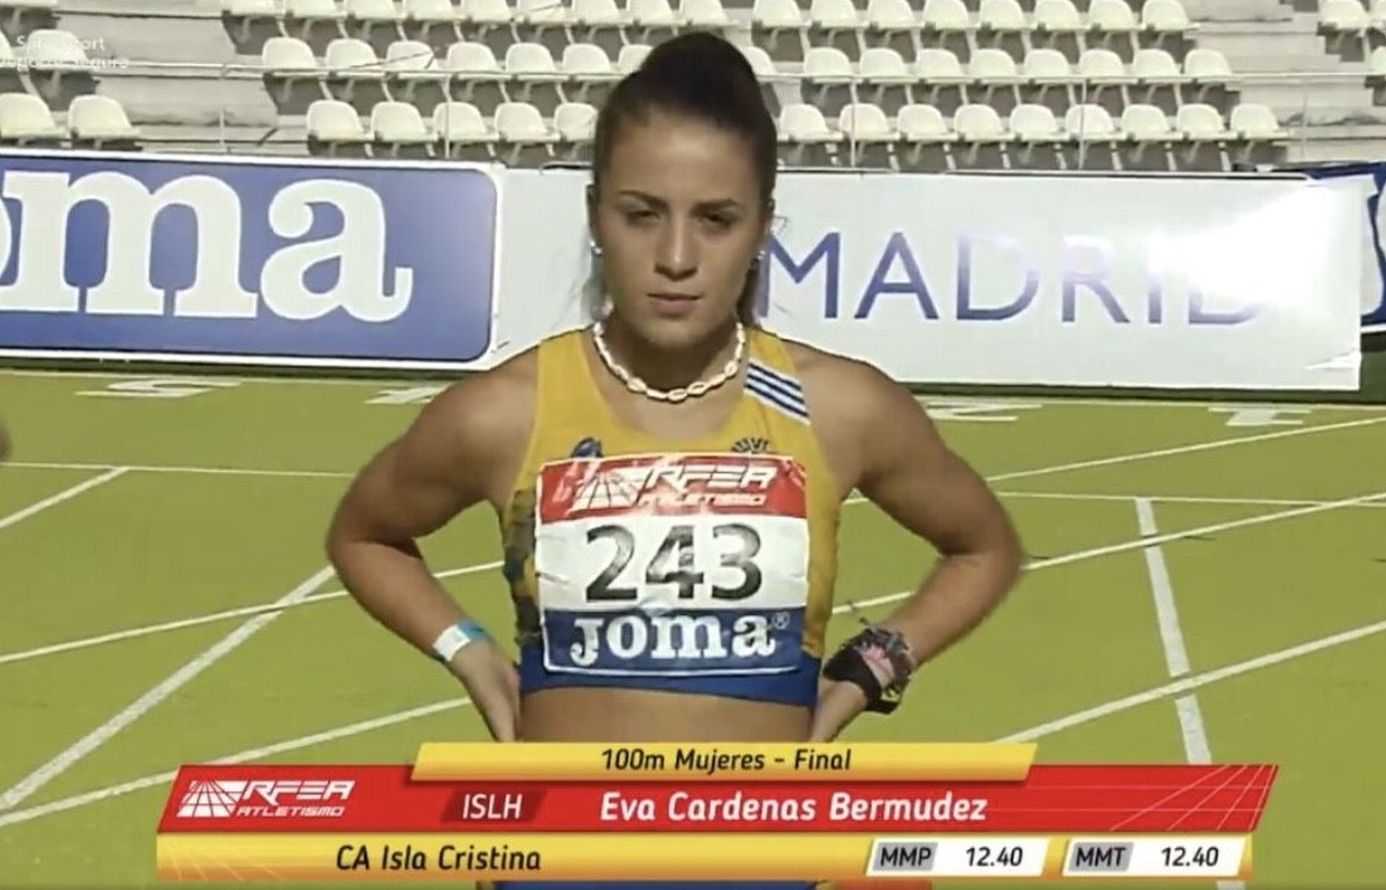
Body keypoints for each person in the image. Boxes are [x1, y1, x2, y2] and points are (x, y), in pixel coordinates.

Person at [325, 31, 1023, 890]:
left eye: (716, 220)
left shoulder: (842, 408)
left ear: (763, 226)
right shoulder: (505, 410)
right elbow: (366, 535)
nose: (677, 258)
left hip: (768, 860)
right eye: (641, 213)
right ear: (594, 215)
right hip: (556, 862)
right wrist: (472, 656)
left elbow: (983, 548)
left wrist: (863, 673)